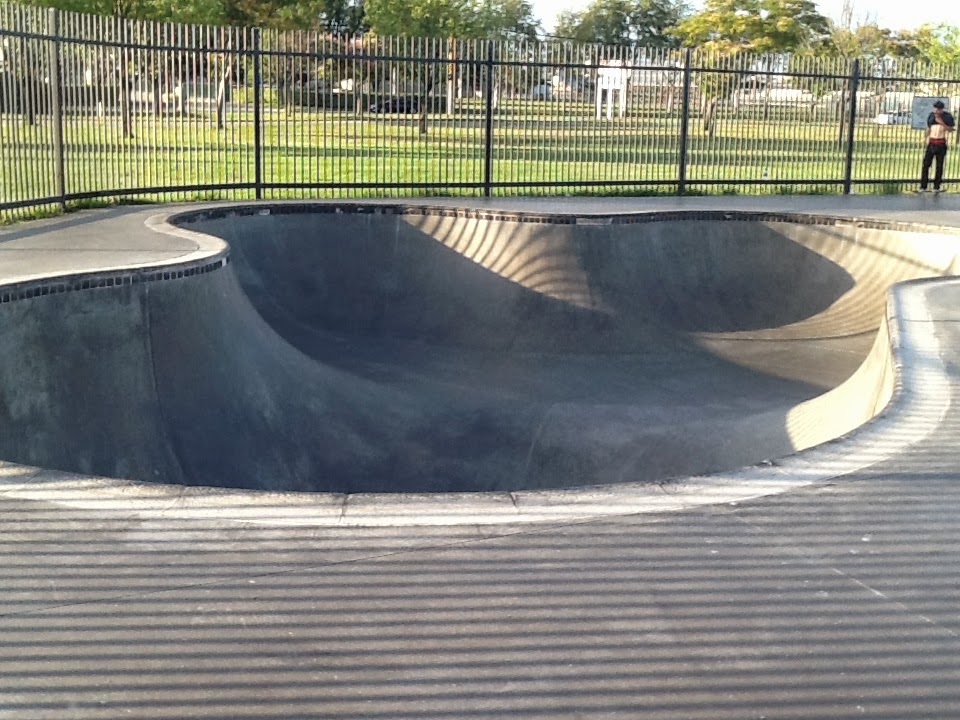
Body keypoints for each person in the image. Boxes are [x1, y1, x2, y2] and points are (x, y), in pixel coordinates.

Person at [919, 100, 955, 193]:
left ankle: (936, 186)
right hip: (931, 142)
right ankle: (923, 186)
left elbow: (951, 129)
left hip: (941, 143)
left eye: (938, 109)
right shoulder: (931, 116)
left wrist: (941, 122)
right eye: (935, 109)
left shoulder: (947, 117)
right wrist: (925, 138)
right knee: (926, 164)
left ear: (942, 109)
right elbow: (929, 128)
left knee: (939, 165)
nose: (936, 111)